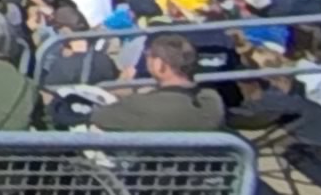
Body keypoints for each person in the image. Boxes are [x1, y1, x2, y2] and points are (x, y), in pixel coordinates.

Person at [90, 33, 228, 133]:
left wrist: (122, 85)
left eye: (148, 56)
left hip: (153, 170)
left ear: (158, 64)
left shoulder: (138, 105)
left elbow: (98, 118)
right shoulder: (211, 101)